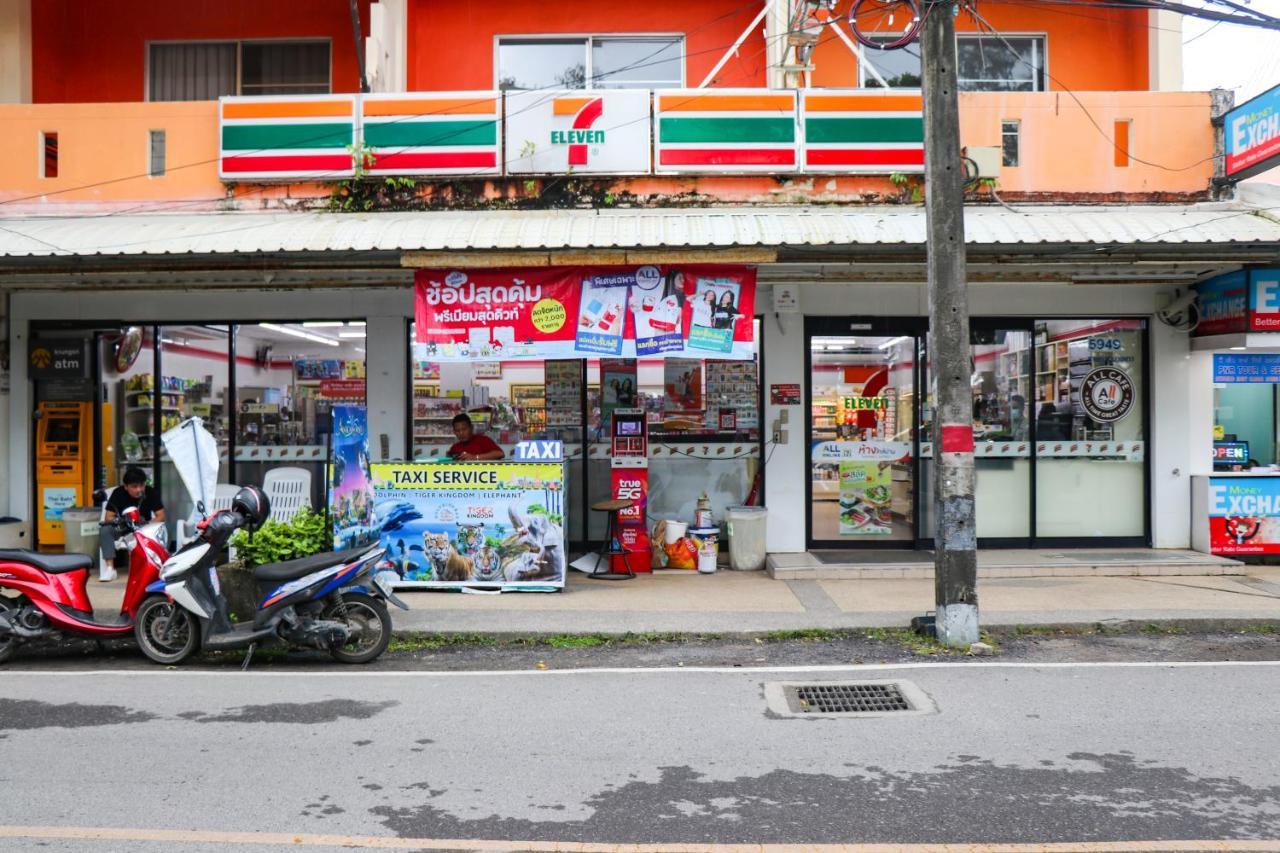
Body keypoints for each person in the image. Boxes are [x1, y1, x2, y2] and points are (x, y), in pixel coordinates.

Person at [98, 466, 165, 583]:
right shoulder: (118, 493)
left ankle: (153, 566)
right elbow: (108, 517)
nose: (139, 489)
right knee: (105, 530)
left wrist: (148, 524)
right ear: (126, 486)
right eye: (134, 487)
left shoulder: (150, 492)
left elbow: (161, 515)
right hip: (123, 526)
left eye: (141, 485)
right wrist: (122, 520)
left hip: (144, 527)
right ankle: (110, 569)